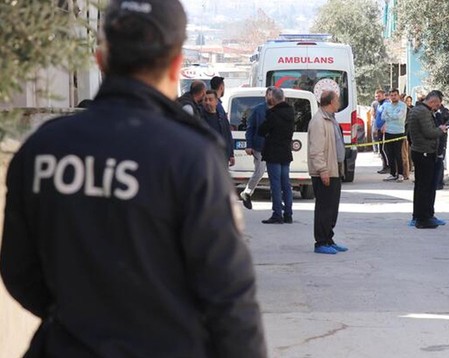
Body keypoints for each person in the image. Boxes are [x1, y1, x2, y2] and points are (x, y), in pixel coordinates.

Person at [0, 1, 267, 357]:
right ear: (175, 65)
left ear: (101, 59)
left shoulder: (42, 149)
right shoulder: (191, 156)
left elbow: (19, 271)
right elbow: (230, 298)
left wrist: (82, 319)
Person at [308, 90, 349, 254]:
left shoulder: (330, 119)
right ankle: (320, 242)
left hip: (335, 170)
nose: (339, 103)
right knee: (324, 208)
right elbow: (316, 149)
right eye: (337, 100)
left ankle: (329, 238)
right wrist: (323, 170)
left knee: (332, 208)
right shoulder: (318, 121)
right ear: (330, 102)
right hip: (325, 172)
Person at [407, 91, 448, 229]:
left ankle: (424, 215)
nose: (437, 107)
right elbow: (429, 132)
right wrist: (441, 130)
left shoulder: (417, 110)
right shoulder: (423, 112)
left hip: (421, 151)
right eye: (437, 104)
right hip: (424, 152)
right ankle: (422, 218)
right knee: (424, 187)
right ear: (433, 102)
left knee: (423, 186)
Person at [259, 87, 294, 224]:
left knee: (275, 184)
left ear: (273, 98)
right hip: (285, 151)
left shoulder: (272, 114)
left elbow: (262, 130)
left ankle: (277, 214)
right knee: (286, 183)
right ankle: (288, 214)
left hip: (273, 152)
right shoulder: (290, 112)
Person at [240, 88, 271, 209]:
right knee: (260, 171)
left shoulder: (279, 109)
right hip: (260, 146)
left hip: (275, 146)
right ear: (266, 96)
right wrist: (249, 145)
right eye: (269, 94)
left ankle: (278, 201)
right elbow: (251, 128)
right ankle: (247, 192)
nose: (271, 97)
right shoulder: (258, 109)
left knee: (276, 174)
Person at [379, 88, 408, 182]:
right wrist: (392, 115)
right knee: (389, 153)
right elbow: (383, 116)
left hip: (398, 132)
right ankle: (392, 173)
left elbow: (399, 117)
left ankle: (400, 174)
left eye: (395, 95)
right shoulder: (387, 105)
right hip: (388, 132)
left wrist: (389, 115)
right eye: (391, 95)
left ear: (398, 95)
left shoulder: (403, 105)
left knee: (398, 154)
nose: (393, 97)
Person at [202, 90, 235, 167]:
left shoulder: (222, 117)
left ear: (216, 101)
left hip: (222, 156)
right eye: (205, 100)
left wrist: (231, 154)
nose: (207, 102)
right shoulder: (200, 118)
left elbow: (228, 136)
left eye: (210, 99)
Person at [433, 90, 449, 190]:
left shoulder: (442, 111)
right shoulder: (428, 110)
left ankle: (439, 182)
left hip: (440, 139)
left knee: (439, 160)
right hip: (430, 139)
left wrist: (445, 126)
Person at [372, 89, 389, 173]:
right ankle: (384, 165)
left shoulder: (386, 104)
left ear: (383, 95)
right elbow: (377, 118)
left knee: (384, 149)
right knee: (381, 149)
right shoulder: (379, 105)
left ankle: (387, 166)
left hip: (384, 130)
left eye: (379, 96)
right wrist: (375, 128)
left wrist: (384, 125)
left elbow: (387, 117)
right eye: (376, 96)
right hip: (379, 129)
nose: (377, 98)